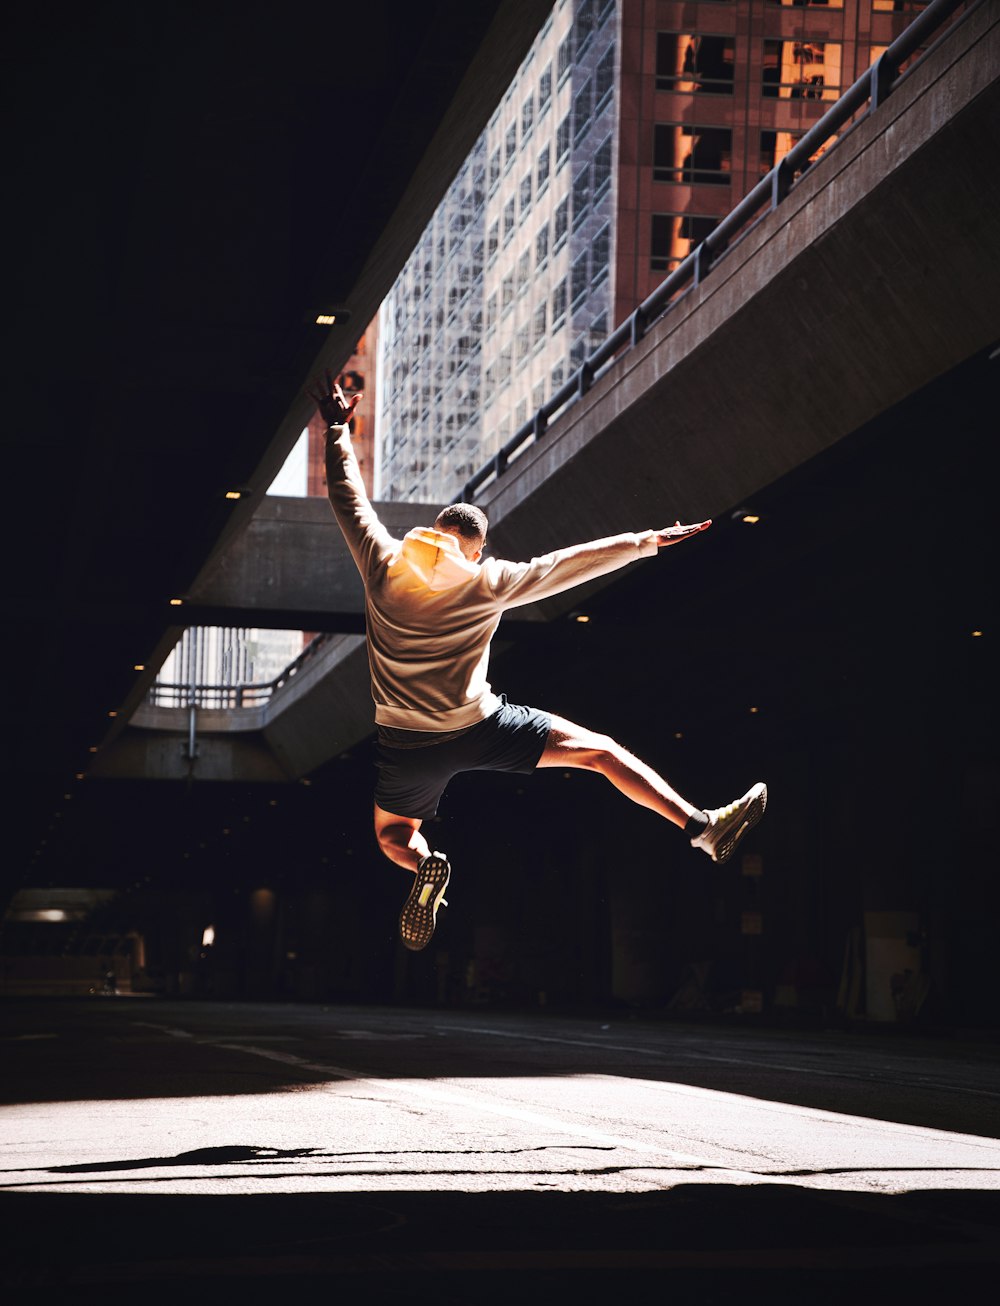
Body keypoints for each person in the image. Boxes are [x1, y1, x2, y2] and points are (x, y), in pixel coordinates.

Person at [313, 374, 766, 951]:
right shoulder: (486, 580)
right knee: (600, 753)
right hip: (479, 725)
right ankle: (703, 828)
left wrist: (336, 429)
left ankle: (426, 865)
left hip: (404, 743)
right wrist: (646, 541)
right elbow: (565, 566)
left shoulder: (381, 559)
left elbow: (345, 495)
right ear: (475, 546)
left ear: (435, 530)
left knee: (394, 833)